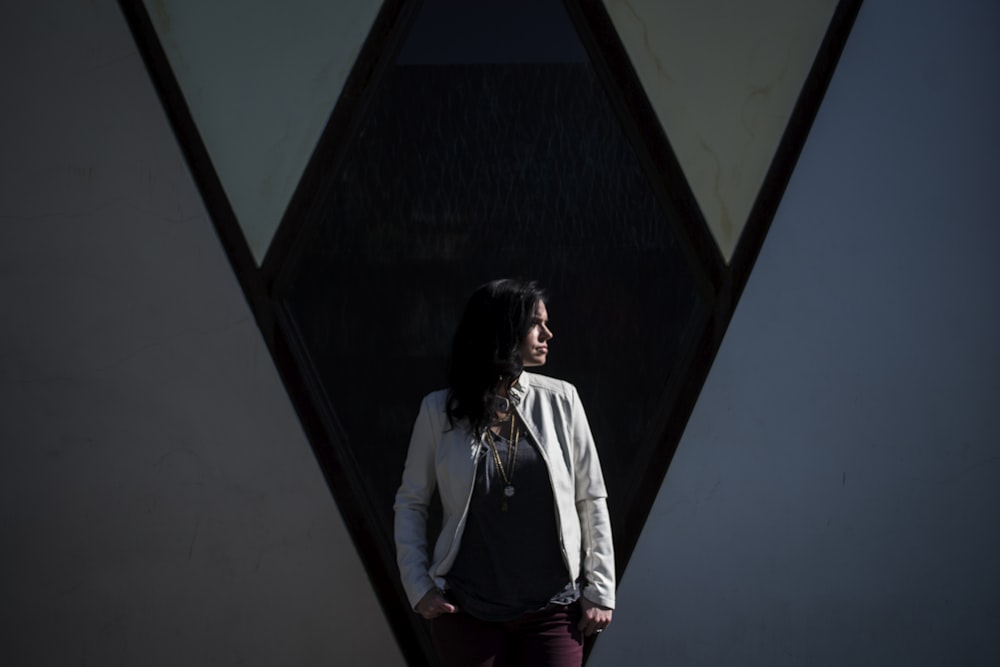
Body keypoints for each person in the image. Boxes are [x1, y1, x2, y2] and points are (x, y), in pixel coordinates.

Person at [394, 279, 615, 666]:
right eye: (536, 324)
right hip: (466, 612)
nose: (548, 333)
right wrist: (419, 586)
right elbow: (411, 502)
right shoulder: (439, 410)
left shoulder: (562, 400)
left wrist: (600, 589)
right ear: (503, 330)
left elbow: (590, 497)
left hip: (552, 611)